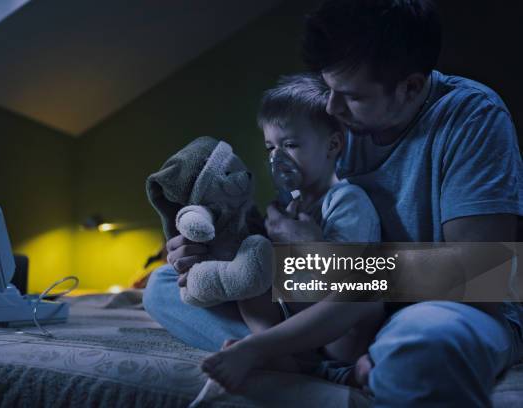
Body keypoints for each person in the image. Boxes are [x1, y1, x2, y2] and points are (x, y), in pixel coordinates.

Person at [144, 0, 523, 406]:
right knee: (165, 286)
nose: (332, 108)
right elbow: (289, 242)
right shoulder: (337, 116)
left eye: (351, 97)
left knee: (429, 339)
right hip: (333, 302)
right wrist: (213, 255)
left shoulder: (471, 118)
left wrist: (324, 256)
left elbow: (483, 275)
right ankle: (308, 361)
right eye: (329, 89)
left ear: (411, 86)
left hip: (436, 308)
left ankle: (316, 360)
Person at [198, 73, 384, 391]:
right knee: (250, 267)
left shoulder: (346, 199)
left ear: (333, 145)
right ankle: (284, 357)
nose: (277, 159)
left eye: (291, 145)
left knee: (366, 290)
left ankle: (262, 349)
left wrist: (307, 242)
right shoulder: (287, 207)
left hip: (339, 333)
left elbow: (346, 277)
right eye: (271, 147)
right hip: (295, 321)